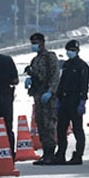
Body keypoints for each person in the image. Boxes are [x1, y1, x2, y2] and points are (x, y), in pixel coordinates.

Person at [24, 32, 60, 165]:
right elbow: (36, 76)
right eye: (32, 43)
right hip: (38, 96)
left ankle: (51, 153)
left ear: (42, 43)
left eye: (36, 42)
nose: (34, 45)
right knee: (41, 124)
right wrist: (30, 80)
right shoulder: (35, 60)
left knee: (49, 124)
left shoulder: (50, 57)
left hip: (48, 96)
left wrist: (50, 91)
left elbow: (55, 76)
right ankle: (45, 153)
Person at [53, 39, 89, 165]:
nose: (70, 52)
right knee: (61, 129)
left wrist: (83, 102)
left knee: (77, 129)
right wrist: (58, 98)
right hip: (64, 100)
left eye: (73, 50)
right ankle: (60, 154)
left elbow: (84, 86)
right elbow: (62, 82)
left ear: (78, 51)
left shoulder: (82, 66)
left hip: (75, 100)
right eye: (69, 50)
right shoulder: (66, 65)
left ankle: (78, 155)